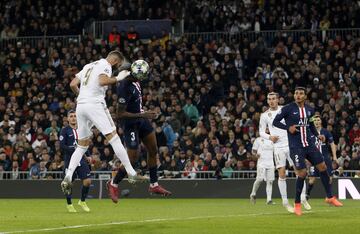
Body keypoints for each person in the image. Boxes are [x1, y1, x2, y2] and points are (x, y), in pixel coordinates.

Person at [61, 50, 146, 195]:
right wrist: (117, 78)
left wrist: (82, 96)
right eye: (117, 65)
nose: (115, 68)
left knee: (82, 146)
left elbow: (73, 84)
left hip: (81, 105)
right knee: (114, 138)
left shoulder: (89, 65)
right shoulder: (105, 65)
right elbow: (102, 81)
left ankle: (68, 176)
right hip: (95, 104)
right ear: (115, 61)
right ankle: (131, 173)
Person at [106, 63, 171, 203]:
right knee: (132, 158)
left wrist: (143, 115)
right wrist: (143, 114)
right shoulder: (124, 87)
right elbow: (120, 114)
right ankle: (113, 183)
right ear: (132, 74)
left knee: (153, 149)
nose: (139, 79)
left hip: (141, 119)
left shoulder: (135, 75)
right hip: (129, 124)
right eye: (138, 77)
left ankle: (154, 185)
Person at [273, 87, 342, 216]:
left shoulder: (310, 109)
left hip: (309, 145)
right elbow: (275, 122)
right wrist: (288, 127)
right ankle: (297, 203)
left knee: (323, 167)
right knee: (303, 173)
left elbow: (310, 125)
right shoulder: (288, 108)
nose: (298, 95)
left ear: (305, 96)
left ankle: (330, 197)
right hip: (296, 147)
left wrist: (317, 135)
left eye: (300, 93)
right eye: (296, 93)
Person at [259, 92, 310, 213]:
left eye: (273, 99)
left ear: (278, 100)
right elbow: (261, 132)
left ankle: (303, 198)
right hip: (278, 146)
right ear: (267, 101)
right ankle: (285, 202)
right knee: (282, 174)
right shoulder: (265, 115)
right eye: (269, 99)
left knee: (300, 171)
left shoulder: (286, 109)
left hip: (291, 144)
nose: (271, 101)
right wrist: (270, 137)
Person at [60, 110, 91, 213]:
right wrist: (74, 149)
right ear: (68, 119)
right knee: (69, 184)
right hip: (69, 160)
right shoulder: (65, 130)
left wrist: (88, 156)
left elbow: (85, 144)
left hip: (81, 160)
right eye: (71, 116)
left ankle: (82, 201)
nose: (73, 118)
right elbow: (62, 146)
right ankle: (69, 204)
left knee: (87, 181)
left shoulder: (81, 129)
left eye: (75, 116)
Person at [306, 115, 338, 200]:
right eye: (315, 120)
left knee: (329, 178)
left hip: (325, 158)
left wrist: (334, 156)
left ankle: (328, 196)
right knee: (312, 178)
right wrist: (306, 158)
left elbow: (332, 143)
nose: (316, 121)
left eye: (318, 120)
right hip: (313, 158)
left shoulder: (326, 132)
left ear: (321, 122)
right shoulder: (309, 132)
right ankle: (307, 194)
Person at [250, 131, 275, 205]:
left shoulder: (273, 140)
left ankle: (269, 199)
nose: (267, 131)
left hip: (270, 163)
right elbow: (253, 151)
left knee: (270, 181)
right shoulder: (258, 140)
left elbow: (276, 151)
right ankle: (253, 193)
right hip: (261, 162)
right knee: (260, 179)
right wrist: (255, 154)